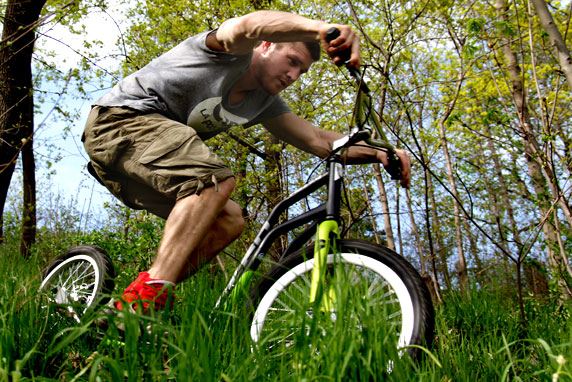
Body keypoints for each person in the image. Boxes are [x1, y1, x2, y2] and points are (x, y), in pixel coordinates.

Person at [82, 10, 411, 313]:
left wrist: (381, 152)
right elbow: (248, 24)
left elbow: (318, 141)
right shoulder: (228, 51)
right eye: (291, 61)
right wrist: (321, 28)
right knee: (214, 180)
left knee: (230, 220)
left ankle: (130, 305)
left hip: (134, 165)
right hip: (119, 124)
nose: (294, 75)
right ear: (267, 45)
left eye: (302, 70)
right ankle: (149, 296)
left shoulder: (263, 103)